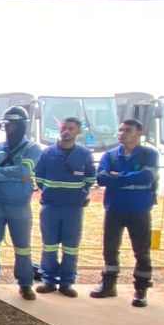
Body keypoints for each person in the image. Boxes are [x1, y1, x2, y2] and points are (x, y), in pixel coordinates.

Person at [0, 105, 42, 298]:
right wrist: (14, 176)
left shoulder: (33, 148)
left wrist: (1, 172)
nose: (11, 128)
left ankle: (25, 283)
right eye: (8, 125)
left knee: (22, 247)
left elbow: (25, 170)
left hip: (19, 205)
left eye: (15, 125)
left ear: (23, 126)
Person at [92, 117, 158, 307]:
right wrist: (128, 178)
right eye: (120, 130)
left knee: (141, 251)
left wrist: (118, 176)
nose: (122, 133)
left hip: (139, 210)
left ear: (139, 132)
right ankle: (109, 284)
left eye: (127, 130)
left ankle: (141, 289)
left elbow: (146, 177)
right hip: (114, 209)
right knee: (110, 249)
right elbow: (102, 178)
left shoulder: (148, 154)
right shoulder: (110, 155)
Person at [32, 116, 95, 297]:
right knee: (49, 245)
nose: (66, 131)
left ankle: (67, 282)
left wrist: (80, 194)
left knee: (71, 246)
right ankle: (48, 280)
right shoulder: (48, 153)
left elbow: (90, 178)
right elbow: (40, 178)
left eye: (71, 128)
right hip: (51, 206)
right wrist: (51, 192)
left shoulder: (84, 154)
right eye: (64, 128)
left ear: (78, 131)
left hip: (73, 208)